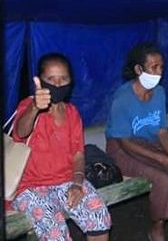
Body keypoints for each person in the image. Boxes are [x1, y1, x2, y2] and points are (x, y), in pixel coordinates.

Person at [106, 43, 168, 241]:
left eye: (161, 67)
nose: (159, 72)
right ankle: (157, 227)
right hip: (122, 147)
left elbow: (162, 131)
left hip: (151, 143)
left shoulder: (159, 93)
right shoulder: (123, 98)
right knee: (162, 177)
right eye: (154, 67)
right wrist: (165, 160)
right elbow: (125, 142)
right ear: (138, 69)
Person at [11, 53, 111, 240]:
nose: (57, 84)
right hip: (29, 187)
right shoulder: (28, 106)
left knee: (99, 217)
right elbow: (21, 131)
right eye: (50, 79)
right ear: (40, 81)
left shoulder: (72, 113)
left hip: (65, 181)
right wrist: (34, 107)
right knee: (56, 231)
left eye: (63, 79)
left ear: (70, 82)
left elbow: (78, 155)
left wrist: (77, 183)